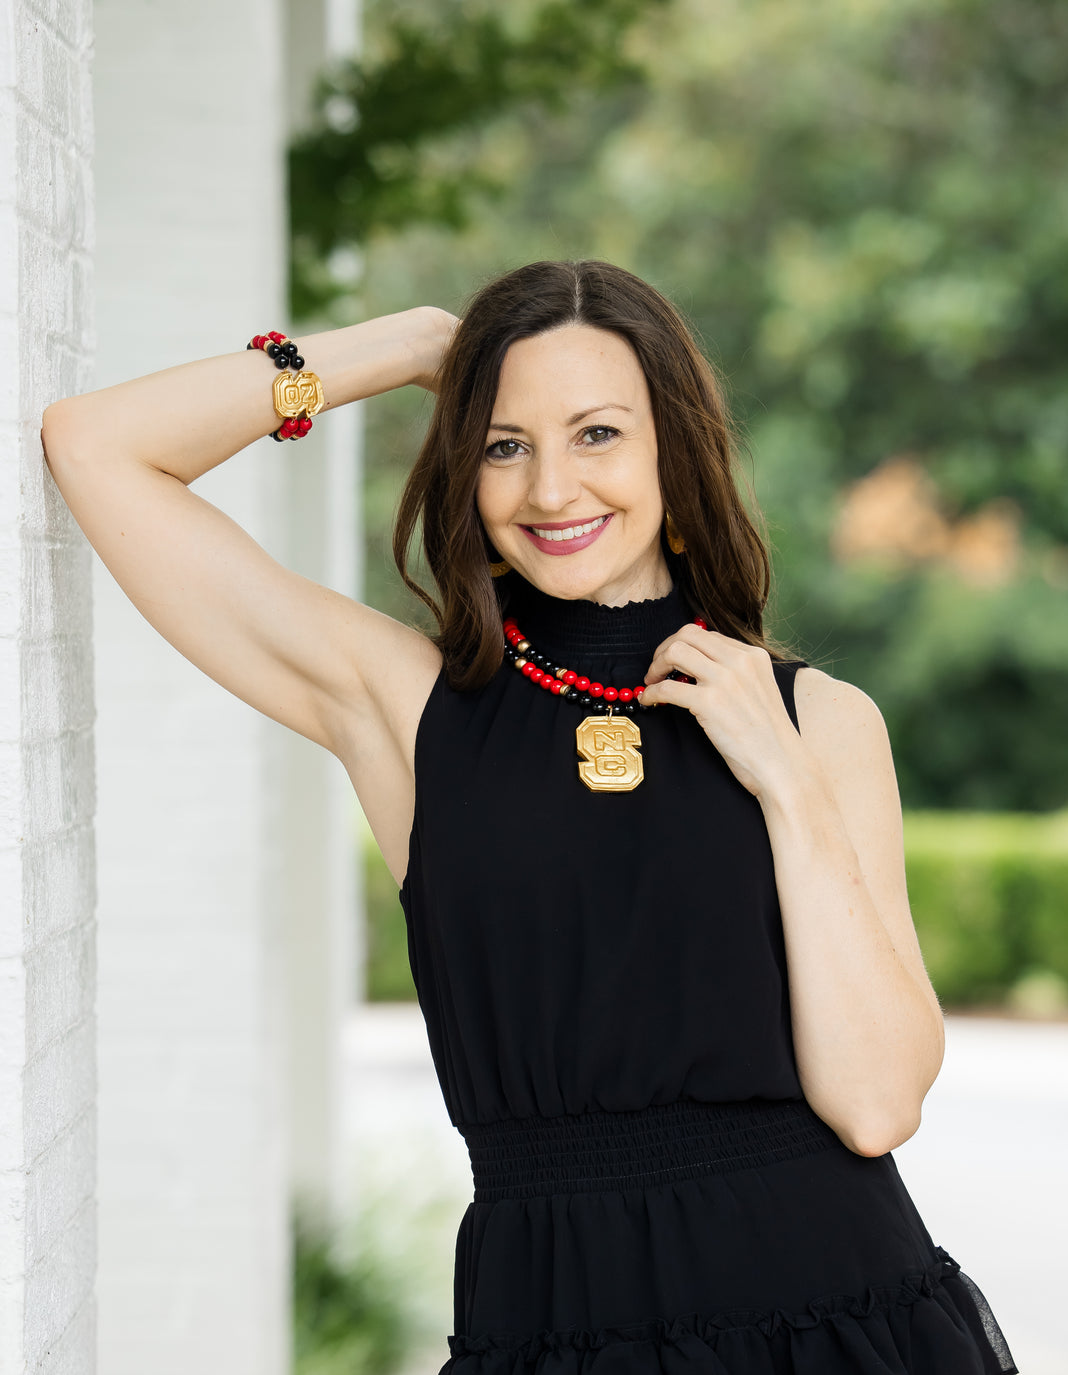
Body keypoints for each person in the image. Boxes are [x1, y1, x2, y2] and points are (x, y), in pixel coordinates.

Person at [41, 259, 1017, 1373]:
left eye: (596, 433)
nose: (550, 489)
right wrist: (407, 347)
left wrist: (784, 785)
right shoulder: (409, 711)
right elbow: (97, 446)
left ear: (673, 448)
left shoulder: (819, 722)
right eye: (504, 444)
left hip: (833, 1320)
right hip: (548, 1321)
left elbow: (878, 1100)